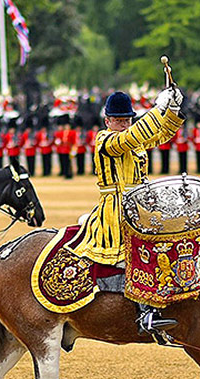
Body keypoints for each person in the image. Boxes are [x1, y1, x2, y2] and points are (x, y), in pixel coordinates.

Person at [67, 88, 184, 336]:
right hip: (116, 209)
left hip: (141, 205)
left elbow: (161, 134)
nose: (123, 124)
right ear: (107, 121)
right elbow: (130, 138)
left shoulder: (132, 136)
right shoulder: (105, 140)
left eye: (127, 120)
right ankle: (146, 313)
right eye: (119, 120)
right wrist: (157, 109)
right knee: (141, 250)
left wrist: (172, 111)